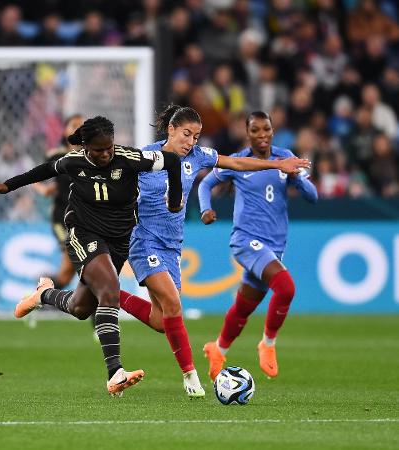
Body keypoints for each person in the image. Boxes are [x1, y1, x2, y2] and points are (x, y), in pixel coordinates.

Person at [116, 105, 311, 398]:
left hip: (172, 246)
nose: (191, 142)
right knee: (173, 304)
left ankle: (106, 293)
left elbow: (236, 164)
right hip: (144, 241)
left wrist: (277, 165)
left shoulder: (197, 156)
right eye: (186, 134)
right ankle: (190, 376)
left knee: (161, 320)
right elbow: (118, 186)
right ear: (170, 129)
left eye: (196, 136)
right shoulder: (146, 158)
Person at [0, 115, 183, 396]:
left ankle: (43, 295)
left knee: (81, 308)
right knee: (110, 289)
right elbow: (42, 171)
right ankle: (115, 373)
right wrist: (7, 185)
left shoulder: (130, 158)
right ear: (85, 148)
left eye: (109, 148)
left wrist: (175, 200)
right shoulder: (73, 161)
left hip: (118, 240)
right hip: (83, 232)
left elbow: (172, 162)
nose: (105, 154)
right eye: (98, 150)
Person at [198, 111, 318, 381]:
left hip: (274, 245)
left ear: (273, 130)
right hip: (246, 240)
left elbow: (313, 197)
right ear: (247, 132)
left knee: (244, 306)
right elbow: (205, 184)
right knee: (286, 287)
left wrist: (297, 177)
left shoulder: (284, 156)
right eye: (255, 130)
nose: (261, 135)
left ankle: (218, 349)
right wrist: (206, 209)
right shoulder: (239, 162)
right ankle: (268, 343)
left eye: (266, 129)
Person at [33, 114, 84, 290]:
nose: (79, 128)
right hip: (61, 219)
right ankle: (94, 304)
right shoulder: (56, 155)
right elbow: (35, 177)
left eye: (83, 125)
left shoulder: (92, 157)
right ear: (65, 130)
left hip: (84, 220)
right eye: (74, 125)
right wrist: (44, 190)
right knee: (79, 260)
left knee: (66, 274)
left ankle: (43, 292)